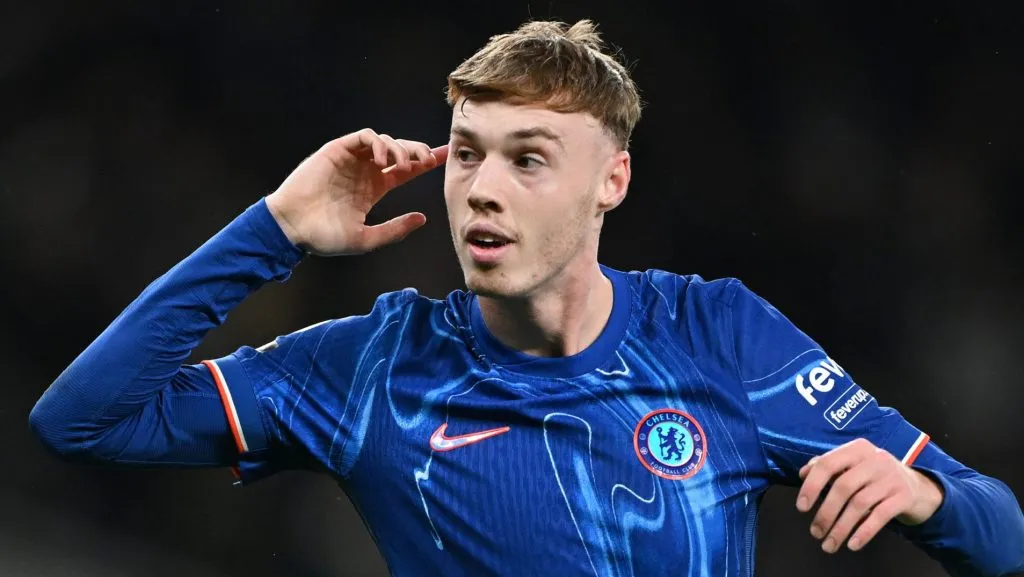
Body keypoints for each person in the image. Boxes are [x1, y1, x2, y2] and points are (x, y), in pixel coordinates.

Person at [28, 19, 1024, 577]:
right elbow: (81, 420)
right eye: (465, 154)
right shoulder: (373, 367)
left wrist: (930, 497)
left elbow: (1003, 532)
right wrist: (273, 231)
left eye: (528, 159)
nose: (483, 188)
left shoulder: (716, 332)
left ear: (611, 182)